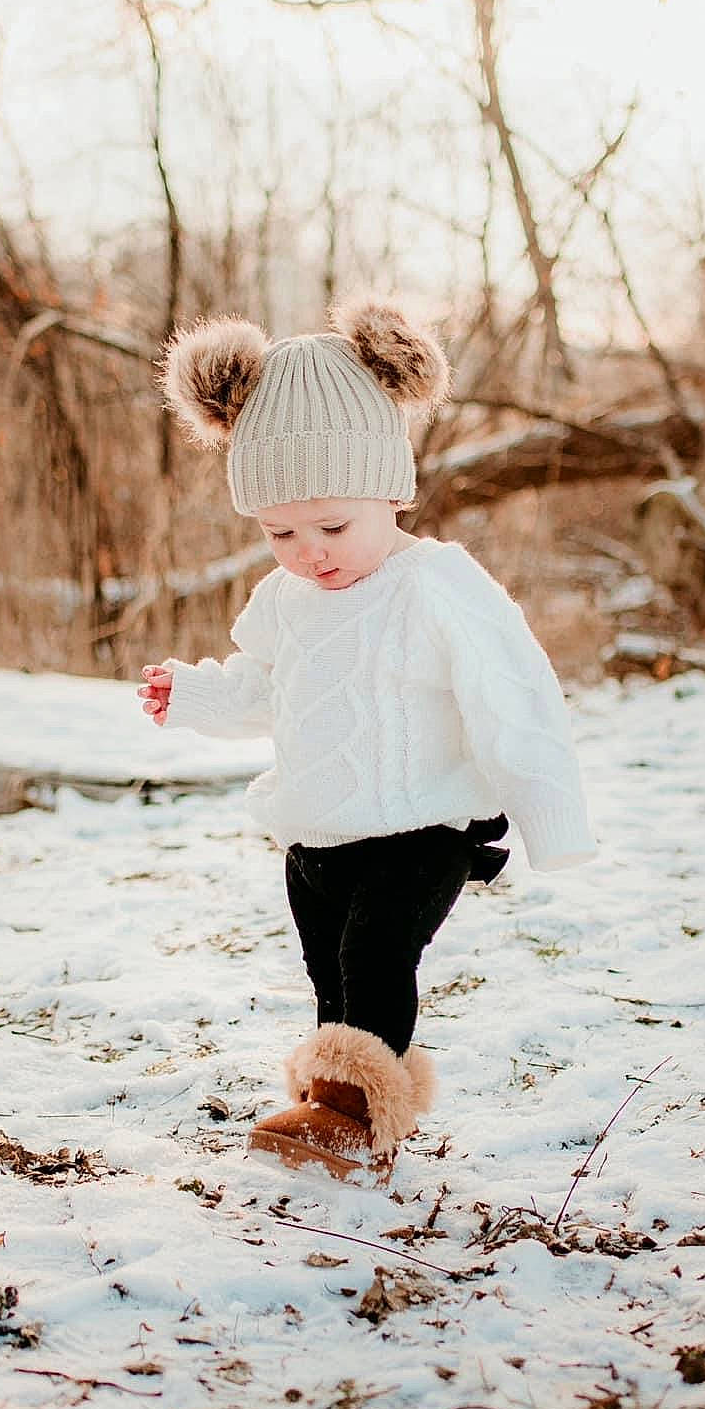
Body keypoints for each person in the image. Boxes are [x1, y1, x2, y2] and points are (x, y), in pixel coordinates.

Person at [139, 298, 594, 1183]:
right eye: (280, 532)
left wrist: (552, 818)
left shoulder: (435, 586)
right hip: (316, 835)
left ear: (392, 493)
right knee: (332, 979)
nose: (309, 552)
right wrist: (193, 694)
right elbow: (266, 689)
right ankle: (342, 1100)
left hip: (420, 829)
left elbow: (514, 698)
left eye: (333, 527)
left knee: (374, 957)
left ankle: (351, 1116)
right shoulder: (284, 601)